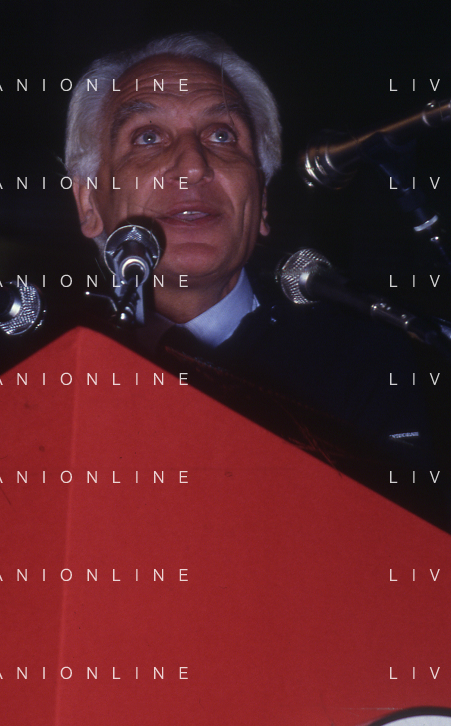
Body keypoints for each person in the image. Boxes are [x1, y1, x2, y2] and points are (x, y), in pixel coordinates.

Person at [65, 33, 438, 477]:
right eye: (147, 137)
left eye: (222, 135)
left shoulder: (364, 361)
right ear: (89, 203)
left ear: (261, 200)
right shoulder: (35, 357)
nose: (193, 165)